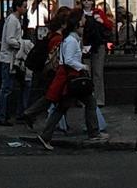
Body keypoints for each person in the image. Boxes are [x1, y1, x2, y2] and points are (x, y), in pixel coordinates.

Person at [29, 9, 107, 150]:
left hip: (70, 78)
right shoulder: (71, 40)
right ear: (77, 24)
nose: (84, 23)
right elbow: (69, 60)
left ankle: (46, 135)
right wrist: (82, 66)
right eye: (82, 20)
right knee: (86, 103)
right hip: (72, 79)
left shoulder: (71, 39)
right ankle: (94, 133)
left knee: (63, 107)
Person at [0, 0, 27, 124]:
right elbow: (9, 39)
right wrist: (21, 44)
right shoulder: (13, 20)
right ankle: (1, 115)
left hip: (11, 58)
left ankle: (5, 114)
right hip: (9, 58)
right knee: (6, 88)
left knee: (10, 87)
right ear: (18, 7)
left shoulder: (14, 20)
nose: (25, 9)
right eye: (24, 7)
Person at [80, 0, 113, 106]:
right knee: (85, 72)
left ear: (92, 1)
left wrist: (101, 21)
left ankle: (99, 99)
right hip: (84, 45)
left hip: (97, 45)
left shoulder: (98, 13)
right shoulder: (80, 14)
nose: (86, 2)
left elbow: (109, 26)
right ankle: (85, 99)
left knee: (98, 73)